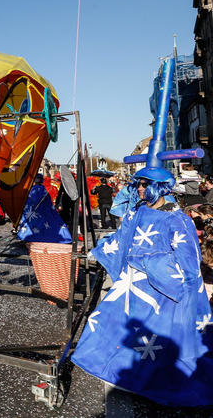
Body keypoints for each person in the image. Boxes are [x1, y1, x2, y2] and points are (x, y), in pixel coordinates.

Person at [71, 166, 213, 407]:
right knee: (110, 323)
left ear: (158, 187)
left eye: (144, 184)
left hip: (162, 295)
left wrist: (146, 262)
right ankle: (114, 370)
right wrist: (96, 252)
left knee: (152, 343)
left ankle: (146, 382)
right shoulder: (138, 212)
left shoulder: (178, 220)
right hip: (130, 288)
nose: (139, 188)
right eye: (139, 183)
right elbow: (120, 239)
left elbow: (188, 267)